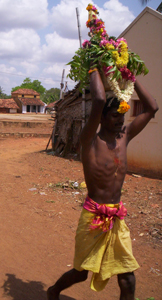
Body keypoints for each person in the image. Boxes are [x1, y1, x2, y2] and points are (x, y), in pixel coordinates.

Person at [47, 69, 159, 300]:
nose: (120, 121)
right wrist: (95, 67)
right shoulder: (89, 139)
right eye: (115, 116)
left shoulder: (124, 137)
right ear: (102, 117)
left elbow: (152, 108)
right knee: (81, 273)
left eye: (122, 116)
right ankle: (53, 291)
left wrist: (132, 78)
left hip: (116, 218)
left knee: (127, 276)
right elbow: (98, 99)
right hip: (93, 217)